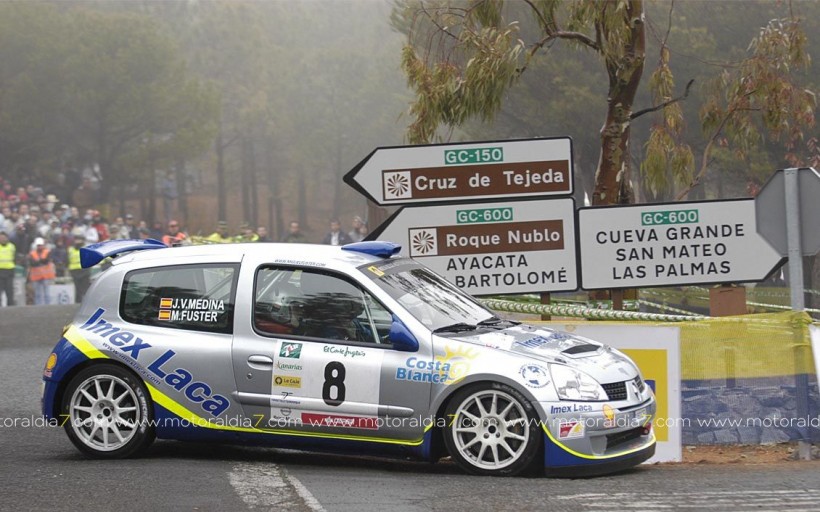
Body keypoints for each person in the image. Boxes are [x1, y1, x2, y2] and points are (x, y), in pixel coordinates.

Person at [28, 237, 55, 305]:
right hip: (36, 277)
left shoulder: (47, 252)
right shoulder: (32, 253)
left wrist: (38, 261)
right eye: (38, 245)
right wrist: (41, 261)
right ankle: (38, 307)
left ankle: (47, 306)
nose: (40, 247)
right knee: (38, 294)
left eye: (41, 245)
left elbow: (46, 261)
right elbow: (32, 263)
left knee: (46, 293)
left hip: (45, 276)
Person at [67, 236, 91, 303]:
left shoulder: (86, 248)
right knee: (77, 289)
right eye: (76, 240)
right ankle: (77, 303)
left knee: (85, 288)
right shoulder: (70, 249)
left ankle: (87, 303)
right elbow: (67, 260)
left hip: (84, 270)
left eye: (79, 240)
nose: (77, 241)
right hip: (74, 271)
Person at [0, 231, 16, 306]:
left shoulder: (12, 246)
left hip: (9, 271)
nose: (2, 239)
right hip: (0, 271)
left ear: (7, 238)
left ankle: (10, 307)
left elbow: (14, 257)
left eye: (4, 237)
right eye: (1, 237)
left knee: (9, 291)